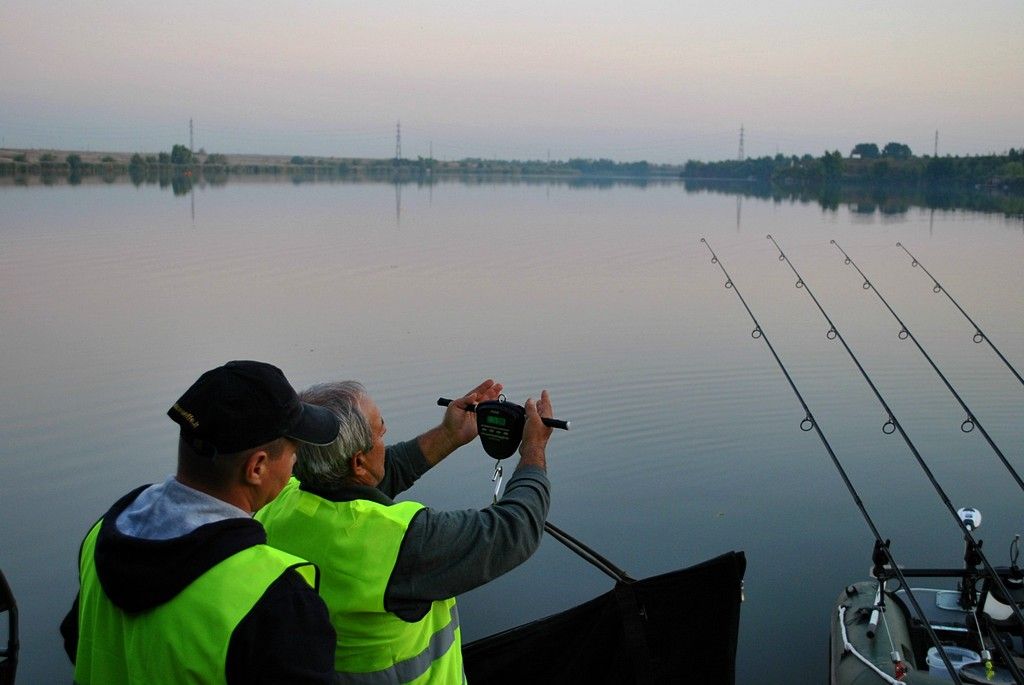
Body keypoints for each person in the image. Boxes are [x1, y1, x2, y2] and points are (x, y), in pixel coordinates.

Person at [60, 360, 342, 684]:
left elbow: (76, 641)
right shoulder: (279, 600)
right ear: (257, 467)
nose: (295, 462)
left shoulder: (104, 533)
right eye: (294, 450)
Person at [255, 379, 554, 684]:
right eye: (380, 430)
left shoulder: (276, 503)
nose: (386, 434)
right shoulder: (401, 542)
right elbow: (516, 529)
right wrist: (533, 448)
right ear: (358, 462)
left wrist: (449, 434)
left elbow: (368, 476)